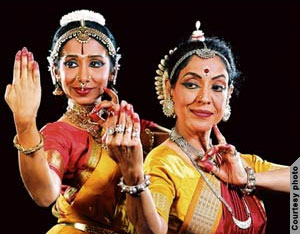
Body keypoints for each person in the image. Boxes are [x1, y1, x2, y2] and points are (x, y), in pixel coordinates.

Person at [104, 21, 290, 234]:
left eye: (217, 87)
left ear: (228, 94)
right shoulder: (164, 162)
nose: (204, 98)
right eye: (191, 84)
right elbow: (150, 230)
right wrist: (133, 174)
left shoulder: (237, 163)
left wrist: (248, 178)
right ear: (169, 88)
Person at [4, 9, 168, 234]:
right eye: (71, 64)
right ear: (55, 72)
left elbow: (184, 152)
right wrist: (25, 125)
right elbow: (44, 194)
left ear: (113, 70)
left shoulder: (133, 127)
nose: (83, 77)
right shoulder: (59, 133)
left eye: (95, 63)